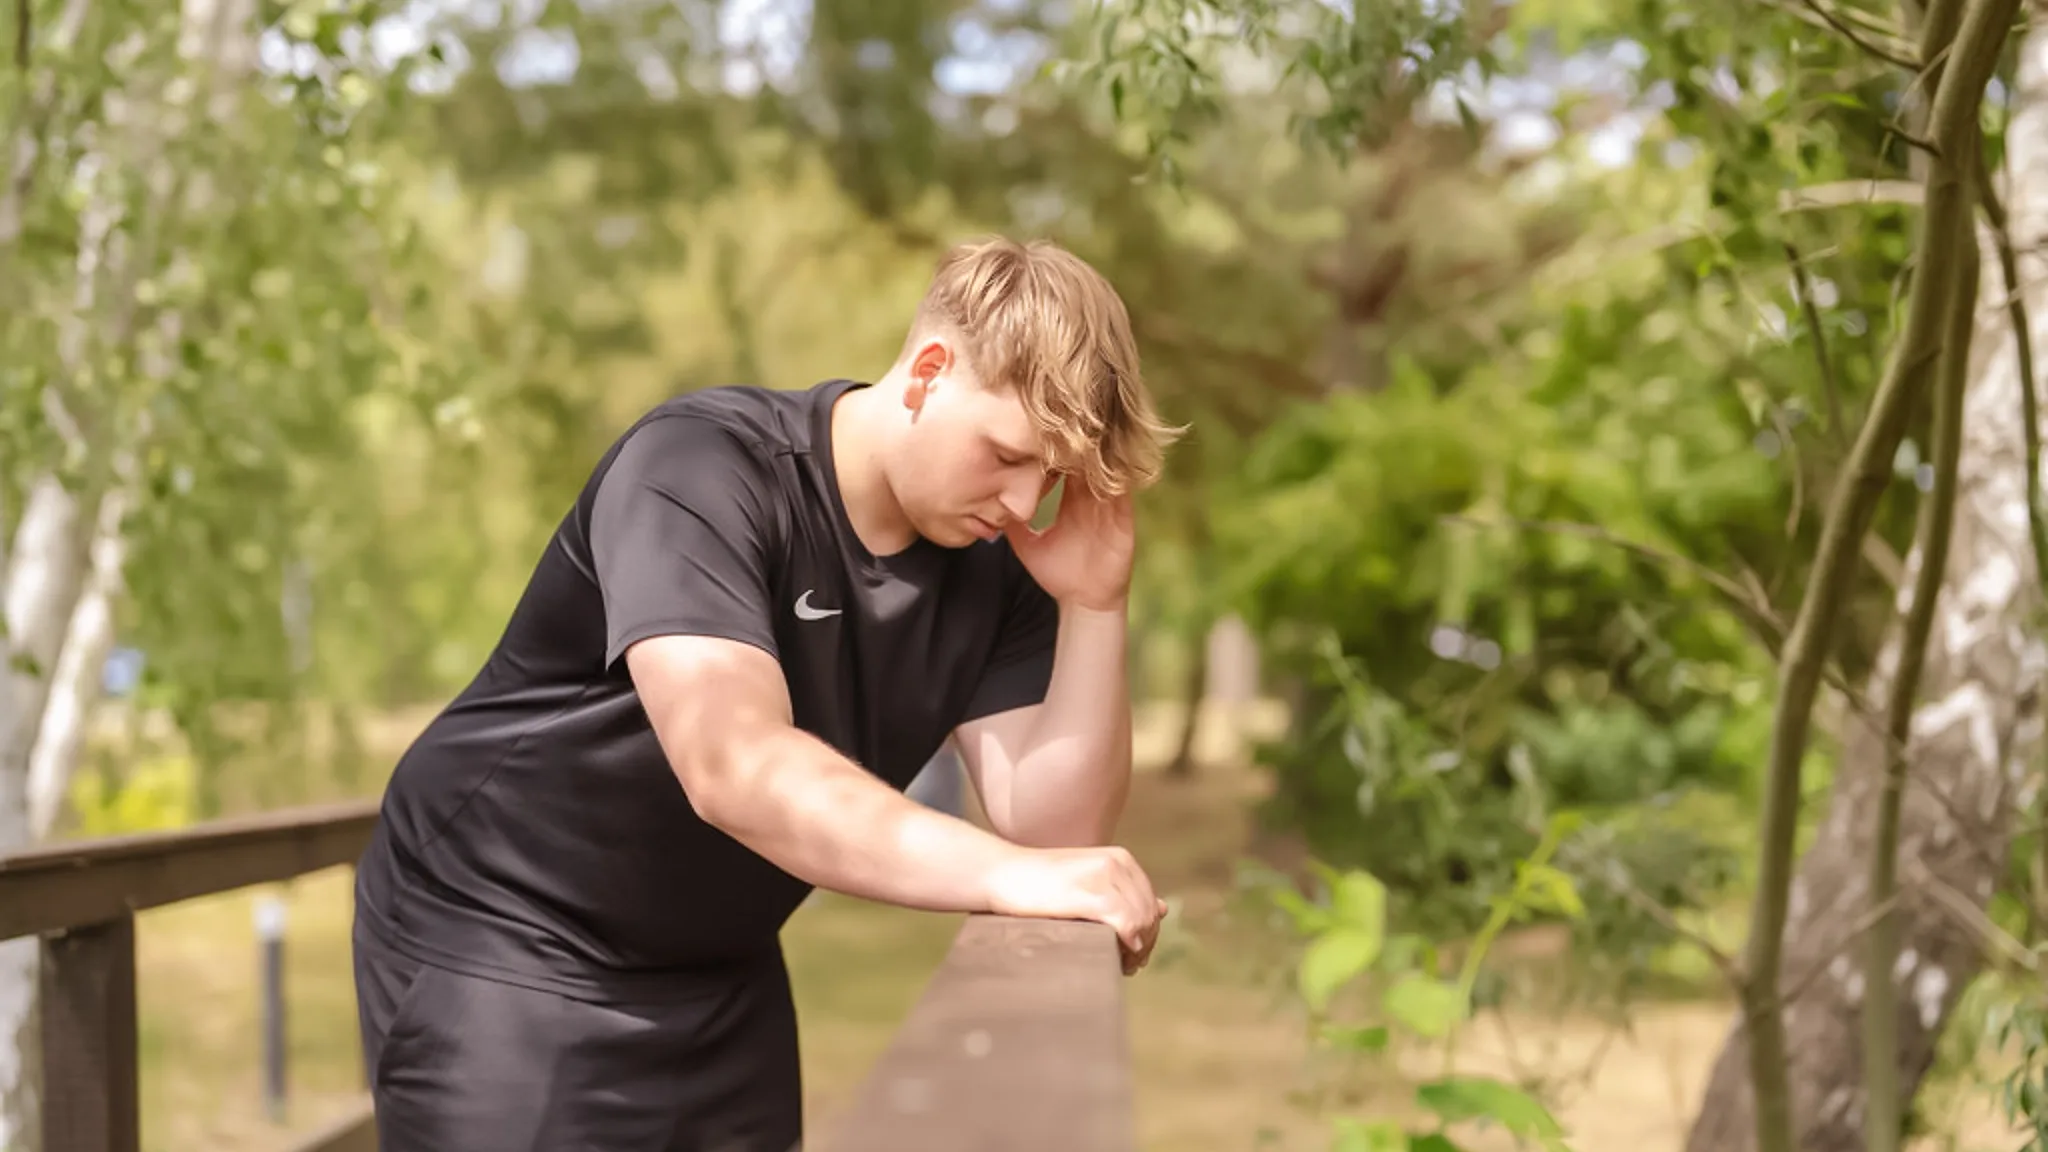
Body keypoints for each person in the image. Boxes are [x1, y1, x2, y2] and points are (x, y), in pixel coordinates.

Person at [350, 235, 1182, 1152]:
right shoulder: (701, 468)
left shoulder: (998, 564)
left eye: (1054, 478)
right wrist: (998, 872)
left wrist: (1097, 604)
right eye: (1009, 455)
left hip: (718, 968)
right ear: (929, 373)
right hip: (502, 934)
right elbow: (732, 764)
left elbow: (1055, 837)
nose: (1028, 505)